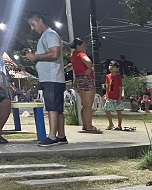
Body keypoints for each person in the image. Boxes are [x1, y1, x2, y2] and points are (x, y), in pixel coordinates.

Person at [24, 12, 67, 147]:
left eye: (33, 24)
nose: (32, 28)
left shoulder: (50, 35)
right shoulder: (47, 35)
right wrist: (34, 59)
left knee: (52, 108)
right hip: (53, 78)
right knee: (57, 109)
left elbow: (54, 54)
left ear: (39, 20)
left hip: (52, 78)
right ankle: (61, 136)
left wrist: (36, 57)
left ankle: (52, 136)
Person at [70, 38, 100, 133]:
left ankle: (85, 124)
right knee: (88, 105)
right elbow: (88, 61)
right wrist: (89, 68)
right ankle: (89, 126)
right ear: (78, 46)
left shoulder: (73, 55)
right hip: (86, 80)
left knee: (84, 104)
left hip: (78, 80)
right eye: (83, 46)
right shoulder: (81, 54)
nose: (85, 48)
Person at [104, 61, 124, 130]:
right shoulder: (108, 76)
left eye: (113, 66)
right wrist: (106, 94)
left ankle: (119, 125)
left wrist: (119, 97)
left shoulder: (118, 77)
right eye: (110, 65)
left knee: (119, 111)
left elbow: (120, 88)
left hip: (116, 97)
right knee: (106, 109)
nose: (111, 67)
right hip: (109, 96)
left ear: (117, 69)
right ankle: (111, 124)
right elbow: (107, 86)